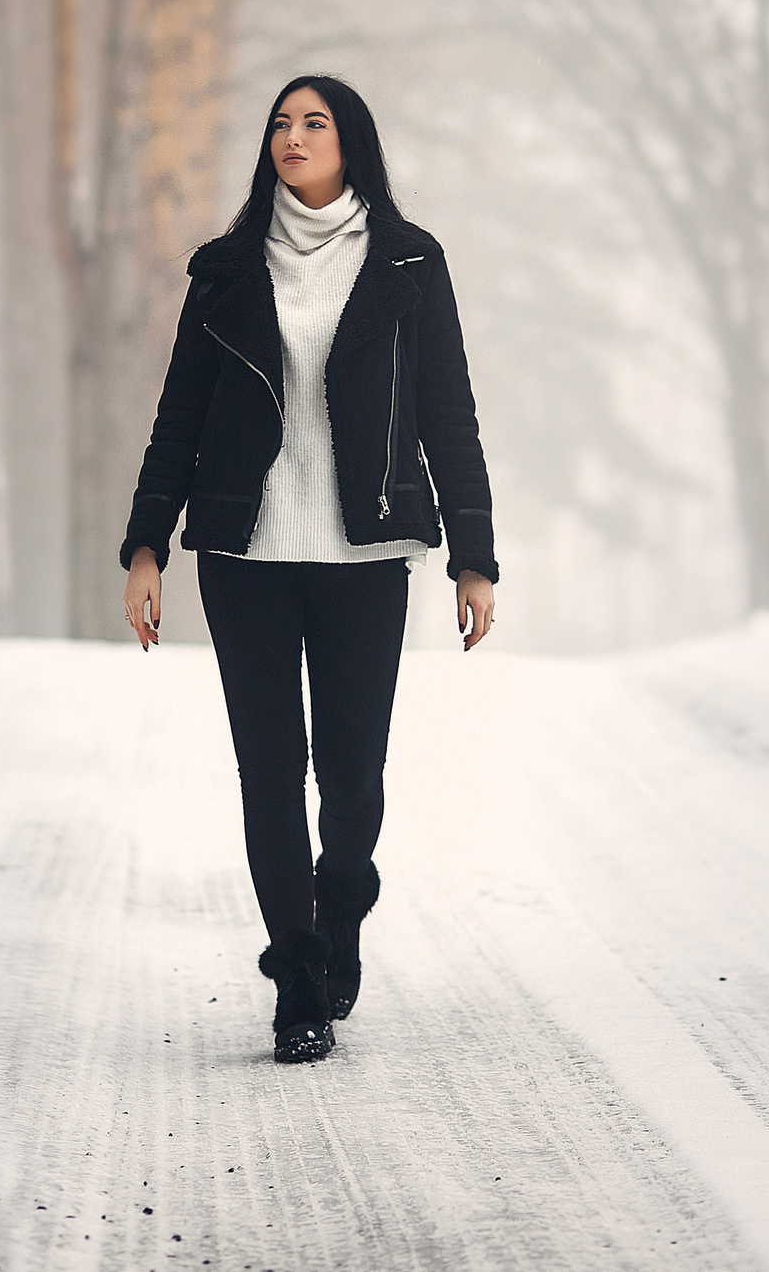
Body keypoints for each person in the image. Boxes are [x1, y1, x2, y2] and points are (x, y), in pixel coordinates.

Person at [120, 74, 500, 1064]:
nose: (292, 136)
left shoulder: (409, 263)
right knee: (269, 774)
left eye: (313, 122)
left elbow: (447, 411)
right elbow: (179, 417)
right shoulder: (225, 271)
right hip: (243, 556)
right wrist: (147, 545)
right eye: (281, 123)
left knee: (352, 776)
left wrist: (474, 556)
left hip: (364, 556)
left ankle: (340, 909)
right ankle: (298, 985)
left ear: (349, 141)